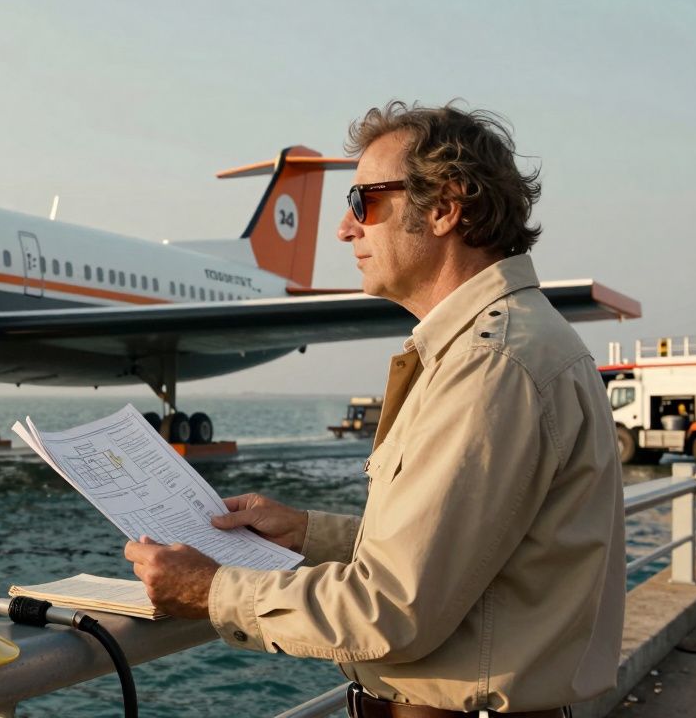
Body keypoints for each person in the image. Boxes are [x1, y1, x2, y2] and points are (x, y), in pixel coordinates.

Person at [126, 101, 625, 716]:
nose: (344, 228)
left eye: (363, 201)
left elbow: (393, 609)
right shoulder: (509, 343)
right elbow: (473, 554)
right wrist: (309, 534)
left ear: (443, 208)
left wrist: (211, 590)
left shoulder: (489, 364)